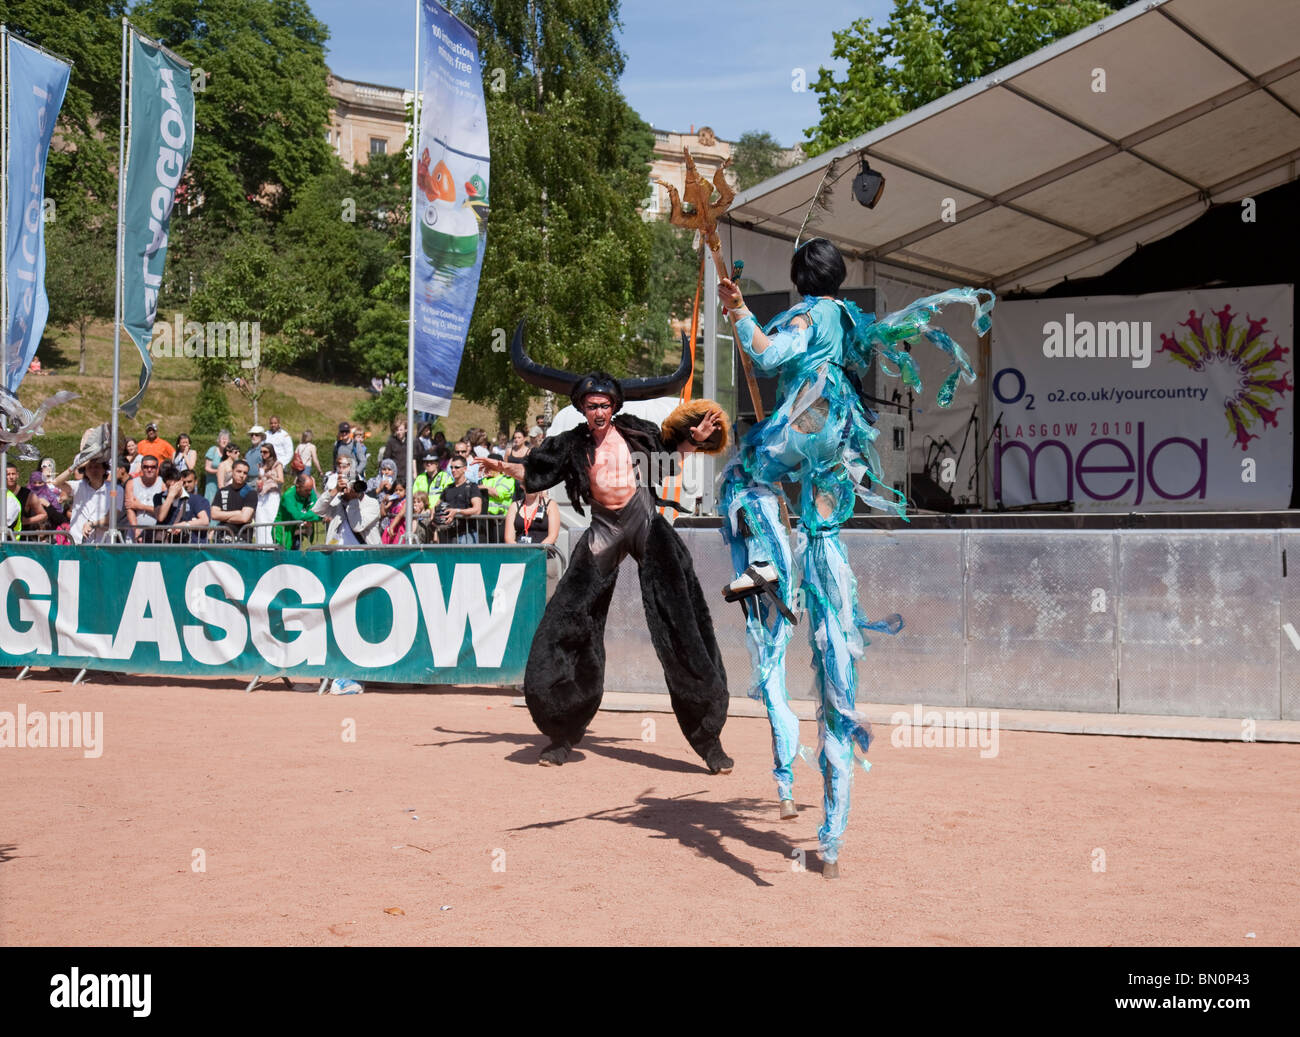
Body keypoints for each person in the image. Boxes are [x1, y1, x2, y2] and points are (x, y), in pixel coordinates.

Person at [717, 237, 992, 878]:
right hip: (835, 438)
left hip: (804, 424)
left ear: (799, 280)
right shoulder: (845, 321)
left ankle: (764, 562)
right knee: (830, 611)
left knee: (741, 476)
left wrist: (736, 310)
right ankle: (832, 839)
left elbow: (765, 354)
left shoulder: (809, 315)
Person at [478, 323, 733, 772]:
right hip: (603, 530)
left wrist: (694, 438)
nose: (598, 411)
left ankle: (708, 739)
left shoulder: (635, 432)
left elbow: (671, 456)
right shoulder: (571, 443)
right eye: (591, 405)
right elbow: (533, 473)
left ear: (614, 407)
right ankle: (561, 732)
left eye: (604, 405)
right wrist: (503, 465)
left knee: (682, 619)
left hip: (645, 522)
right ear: (581, 407)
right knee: (565, 622)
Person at [54, 457, 121, 543]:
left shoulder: (115, 489)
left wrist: (92, 524)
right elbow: (57, 482)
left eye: (97, 467)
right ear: (85, 471)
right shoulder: (78, 486)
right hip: (77, 542)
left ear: (104, 470)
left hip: (103, 543)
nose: (93, 470)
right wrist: (75, 466)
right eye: (89, 467)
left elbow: (112, 517)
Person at [314, 474, 382, 545]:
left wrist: (353, 500)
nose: (354, 488)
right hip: (338, 550)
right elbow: (318, 510)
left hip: (362, 552)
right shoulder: (338, 500)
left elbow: (357, 527)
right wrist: (335, 490)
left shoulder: (372, 504)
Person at [157, 464, 212, 542]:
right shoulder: (160, 497)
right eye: (169, 486)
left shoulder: (196, 499)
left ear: (180, 482)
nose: (186, 485)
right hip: (168, 545)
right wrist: (170, 496)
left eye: (174, 485)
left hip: (192, 545)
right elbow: (160, 517)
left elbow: (205, 521)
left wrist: (184, 524)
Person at [434, 454, 481, 543]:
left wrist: (457, 511)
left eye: (457, 467)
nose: (453, 470)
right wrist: (435, 515)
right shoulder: (448, 488)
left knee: (466, 557)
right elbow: (437, 506)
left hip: (466, 534)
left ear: (465, 469)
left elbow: (477, 510)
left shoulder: (472, 487)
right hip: (448, 533)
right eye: (451, 467)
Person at [124, 453, 167, 542]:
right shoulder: (131, 484)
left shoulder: (163, 484)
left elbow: (163, 511)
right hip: (135, 533)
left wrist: (139, 506)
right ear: (141, 468)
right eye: (146, 467)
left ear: (157, 468)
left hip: (157, 535)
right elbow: (130, 509)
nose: (149, 469)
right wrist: (136, 530)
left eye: (153, 467)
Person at [210, 459, 257, 539]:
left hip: (241, 538)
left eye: (245, 473)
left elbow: (244, 518)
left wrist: (223, 516)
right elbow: (214, 514)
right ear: (232, 471)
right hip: (222, 537)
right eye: (239, 471)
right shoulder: (222, 491)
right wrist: (237, 513)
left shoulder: (251, 493)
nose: (242, 475)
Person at [274, 474, 321, 549]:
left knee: (296, 558)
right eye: (307, 490)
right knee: (284, 559)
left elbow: (316, 508)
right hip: (283, 532)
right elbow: (298, 516)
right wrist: (319, 516)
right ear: (298, 486)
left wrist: (316, 514)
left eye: (311, 489)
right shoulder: (288, 496)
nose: (309, 493)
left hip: (297, 532)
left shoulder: (310, 493)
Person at [254, 442, 284, 545]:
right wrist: (259, 482)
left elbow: (281, 480)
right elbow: (259, 479)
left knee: (271, 520)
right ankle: (261, 545)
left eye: (265, 452)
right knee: (260, 521)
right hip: (261, 495)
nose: (263, 454)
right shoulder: (261, 465)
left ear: (271, 452)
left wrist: (271, 476)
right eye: (261, 452)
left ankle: (271, 545)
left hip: (272, 496)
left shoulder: (277, 464)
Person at [204, 429, 230, 499]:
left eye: (226, 439)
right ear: (218, 440)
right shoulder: (213, 450)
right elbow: (207, 468)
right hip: (212, 484)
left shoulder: (230, 453)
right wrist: (219, 471)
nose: (224, 441)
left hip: (225, 484)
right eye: (222, 439)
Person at [383, 417, 409, 483]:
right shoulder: (391, 442)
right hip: (395, 475)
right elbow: (386, 458)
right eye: (397, 430)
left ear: (406, 430)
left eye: (401, 430)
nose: (398, 432)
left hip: (407, 474)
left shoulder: (410, 441)